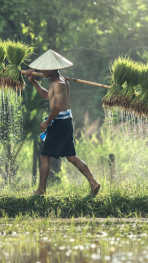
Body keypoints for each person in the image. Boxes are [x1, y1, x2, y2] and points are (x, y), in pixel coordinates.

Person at [25, 50, 100, 196]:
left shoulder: (58, 83)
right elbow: (47, 95)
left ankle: (41, 190)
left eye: (43, 68)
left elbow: (57, 106)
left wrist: (47, 122)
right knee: (71, 156)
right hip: (66, 122)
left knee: (44, 155)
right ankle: (93, 183)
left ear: (50, 69)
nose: (41, 71)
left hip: (60, 123)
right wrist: (33, 81)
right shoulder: (60, 81)